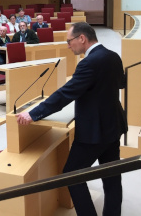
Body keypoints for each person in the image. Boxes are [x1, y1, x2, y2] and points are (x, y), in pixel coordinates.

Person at [16, 22, 127, 216]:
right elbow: (121, 84)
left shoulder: (89, 63)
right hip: (113, 126)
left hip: (94, 132)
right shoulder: (113, 56)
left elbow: (65, 94)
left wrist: (33, 114)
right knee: (112, 177)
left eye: (69, 41)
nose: (68, 46)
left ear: (81, 38)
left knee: (72, 175)